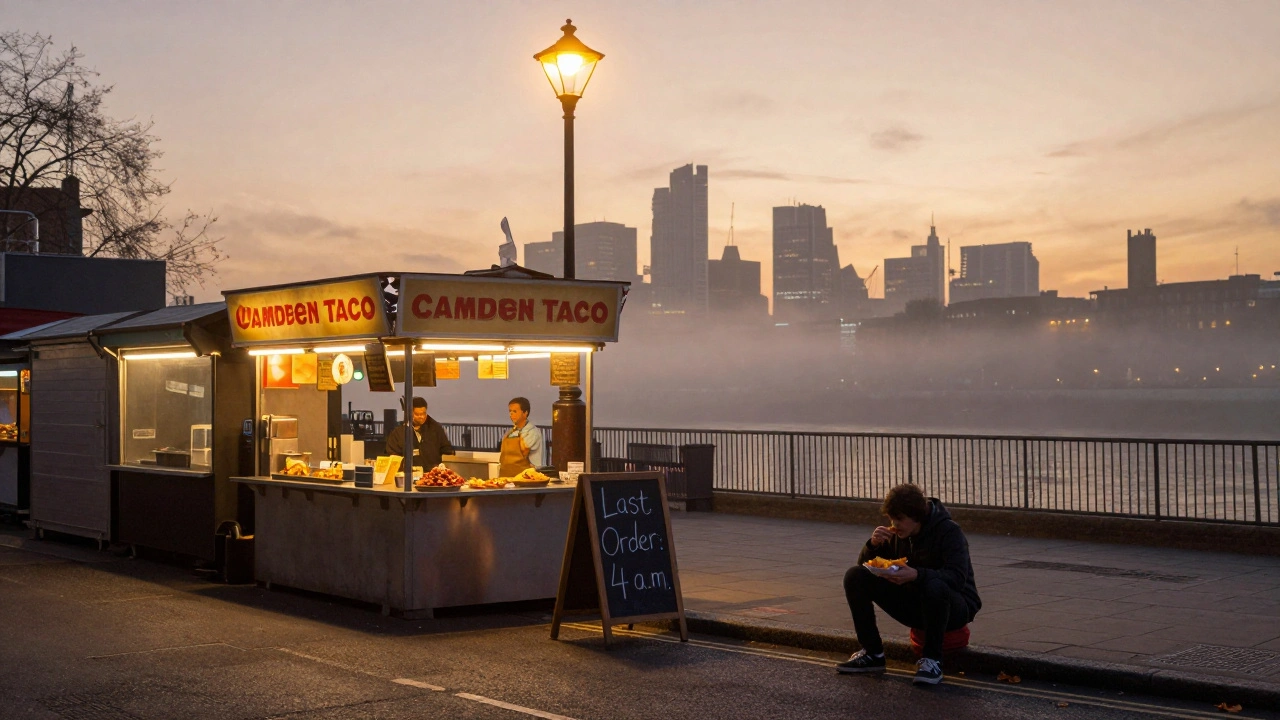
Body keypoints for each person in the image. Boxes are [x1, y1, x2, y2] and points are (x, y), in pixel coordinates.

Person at [837, 483, 981, 686]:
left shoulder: (949, 532)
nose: (894, 524)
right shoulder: (898, 535)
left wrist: (918, 575)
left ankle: (932, 661)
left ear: (917, 516)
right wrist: (872, 546)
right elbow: (865, 567)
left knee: (934, 585)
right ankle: (873, 653)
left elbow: (957, 578)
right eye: (891, 519)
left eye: (899, 519)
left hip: (954, 608)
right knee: (854, 576)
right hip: (915, 603)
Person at [383, 397, 453, 471]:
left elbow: (446, 449)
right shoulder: (398, 433)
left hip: (432, 476)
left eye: (423, 413)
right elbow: (392, 456)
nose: (421, 417)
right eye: (417, 414)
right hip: (408, 476)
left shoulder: (436, 429)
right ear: (409, 413)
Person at [499, 396, 543, 477]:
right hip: (505, 478)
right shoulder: (510, 432)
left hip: (525, 478)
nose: (511, 414)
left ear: (525, 413)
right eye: (510, 411)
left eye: (515, 411)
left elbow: (524, 450)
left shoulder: (532, 431)